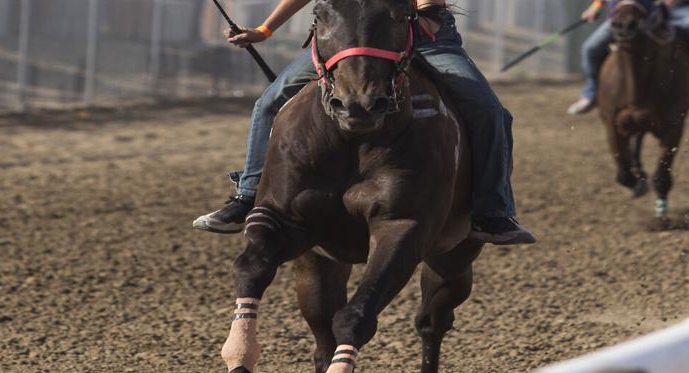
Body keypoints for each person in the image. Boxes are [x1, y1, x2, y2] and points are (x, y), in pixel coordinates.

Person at [194, 0, 536, 245]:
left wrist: (423, 14)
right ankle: (248, 198)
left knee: (490, 112)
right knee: (268, 102)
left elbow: (430, 8)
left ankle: (493, 211)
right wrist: (265, 30)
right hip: (350, 39)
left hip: (422, 35)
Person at [566, 0, 689, 124]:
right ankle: (590, 94)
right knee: (590, 48)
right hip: (637, 11)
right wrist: (595, 7)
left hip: (682, 9)